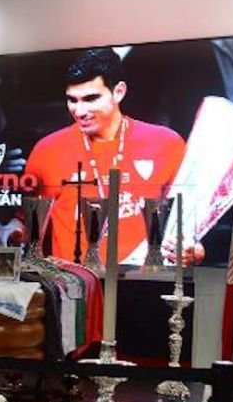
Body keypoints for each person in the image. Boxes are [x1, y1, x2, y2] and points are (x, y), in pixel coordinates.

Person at [24, 48, 186, 263]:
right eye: (72, 100)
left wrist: (190, 249)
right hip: (75, 287)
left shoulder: (166, 143)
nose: (80, 111)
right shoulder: (47, 150)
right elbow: (28, 228)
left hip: (146, 283)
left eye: (91, 98)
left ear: (118, 92)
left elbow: (185, 222)